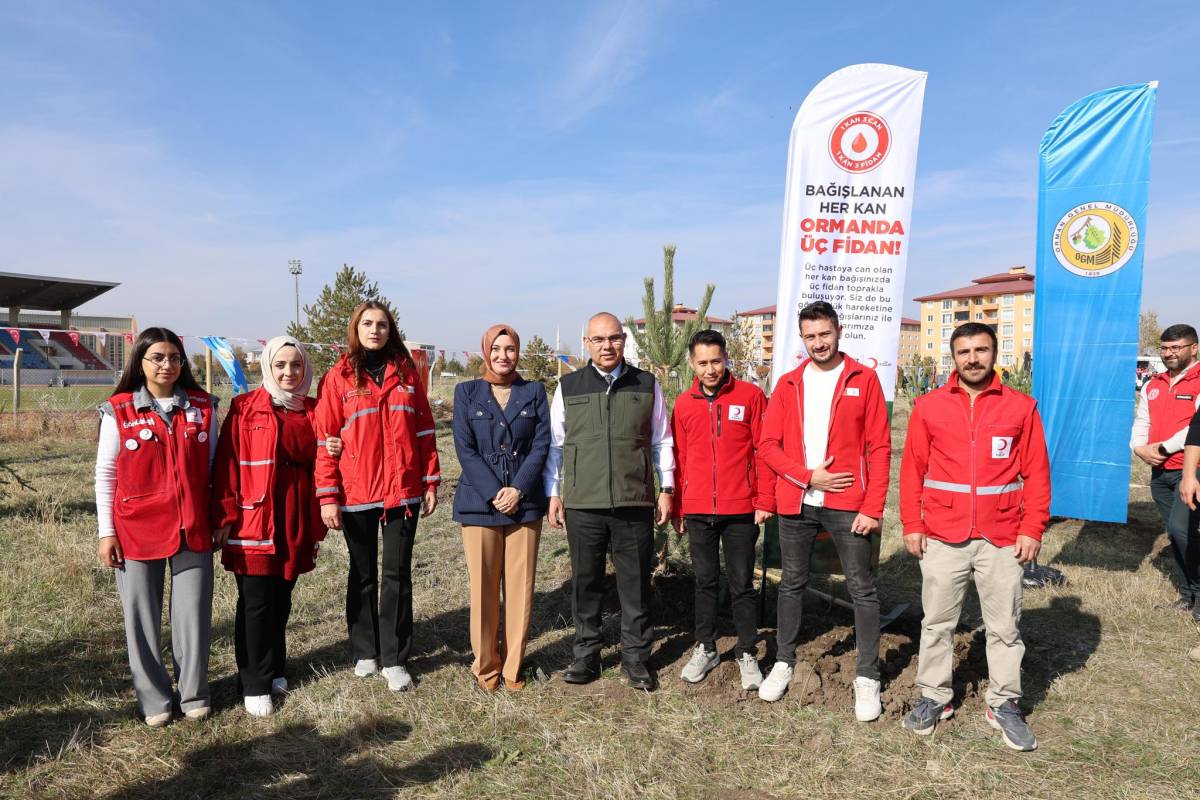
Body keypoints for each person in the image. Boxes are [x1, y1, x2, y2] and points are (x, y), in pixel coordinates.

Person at [898, 322, 1051, 752]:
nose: (972, 358)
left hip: (1002, 536)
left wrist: (1031, 527)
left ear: (994, 353)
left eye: (980, 350)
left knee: (1004, 626)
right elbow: (912, 470)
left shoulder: (1021, 407)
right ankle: (934, 696)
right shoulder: (929, 406)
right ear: (953, 357)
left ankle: (1003, 703)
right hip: (943, 535)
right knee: (937, 623)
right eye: (963, 351)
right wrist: (912, 523)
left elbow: (1037, 473)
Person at [757, 301, 891, 722]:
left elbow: (880, 447)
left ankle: (867, 675)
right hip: (798, 499)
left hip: (849, 504)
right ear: (803, 339)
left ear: (839, 331)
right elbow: (767, 446)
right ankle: (784, 660)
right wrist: (806, 477)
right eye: (810, 336)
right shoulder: (788, 384)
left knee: (861, 588)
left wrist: (873, 507)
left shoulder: (863, 379)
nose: (818, 343)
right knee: (791, 583)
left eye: (825, 334)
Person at [94, 327, 218, 727]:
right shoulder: (119, 410)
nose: (167, 365)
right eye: (158, 358)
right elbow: (106, 474)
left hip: (193, 527)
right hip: (135, 530)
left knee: (193, 615)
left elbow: (217, 469)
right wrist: (105, 532)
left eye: (175, 358)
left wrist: (220, 518)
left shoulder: (204, 407)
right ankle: (155, 700)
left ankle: (194, 692)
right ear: (141, 363)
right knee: (141, 618)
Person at [314, 301, 441, 692]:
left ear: (391, 330)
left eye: (382, 324)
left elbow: (423, 430)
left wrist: (430, 480)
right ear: (356, 328)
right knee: (364, 573)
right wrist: (327, 495)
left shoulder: (406, 373)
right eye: (367, 323)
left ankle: (395, 657)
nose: (375, 330)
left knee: (397, 574)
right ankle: (365, 650)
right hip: (357, 491)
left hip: (403, 491)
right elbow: (325, 438)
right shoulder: (338, 377)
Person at [211, 336, 341, 716]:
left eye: (296, 365)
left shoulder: (316, 410)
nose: (288, 372)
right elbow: (226, 465)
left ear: (306, 369)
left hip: (296, 511)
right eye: (280, 365)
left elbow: (333, 451)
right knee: (255, 600)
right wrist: (223, 515)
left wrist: (334, 446)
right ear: (267, 367)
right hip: (256, 511)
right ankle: (252, 681)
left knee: (282, 594)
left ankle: (274, 666)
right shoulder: (245, 407)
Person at [544, 312, 674, 691]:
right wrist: (554, 493)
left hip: (634, 501)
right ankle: (586, 656)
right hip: (584, 502)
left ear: (623, 341)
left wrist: (666, 488)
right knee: (586, 584)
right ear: (587, 343)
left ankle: (636, 660)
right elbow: (555, 445)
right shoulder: (568, 387)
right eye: (599, 339)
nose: (607, 346)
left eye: (614, 338)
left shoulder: (646, 385)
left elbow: (661, 440)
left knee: (634, 585)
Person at [670, 329, 774, 690]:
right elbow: (679, 458)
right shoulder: (683, 404)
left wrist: (764, 499)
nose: (710, 369)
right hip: (698, 508)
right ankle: (706, 646)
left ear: (726, 358)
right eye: (703, 363)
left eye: (716, 361)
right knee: (704, 582)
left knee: (742, 584)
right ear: (692, 364)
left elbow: (764, 450)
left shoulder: (750, 396)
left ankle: (746, 651)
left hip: (741, 508)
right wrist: (679, 506)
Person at [451, 324, 550, 691]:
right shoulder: (466, 392)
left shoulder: (534, 391)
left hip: (524, 506)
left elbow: (541, 445)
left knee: (520, 590)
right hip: (480, 503)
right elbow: (465, 449)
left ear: (518, 353)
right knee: (484, 589)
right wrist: (495, 492)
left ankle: (512, 669)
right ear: (485, 351)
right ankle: (486, 668)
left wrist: (519, 490)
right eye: (496, 349)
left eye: (509, 349)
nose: (503, 356)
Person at [1132, 324, 1200, 618]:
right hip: (1160, 475)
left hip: (1192, 472)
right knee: (1176, 535)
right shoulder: (1154, 383)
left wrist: (1163, 448)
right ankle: (1187, 595)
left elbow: (1196, 428)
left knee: (1181, 530)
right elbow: (1141, 419)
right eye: (1164, 348)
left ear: (1193, 348)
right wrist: (1138, 447)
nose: (1169, 353)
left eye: (1176, 348)